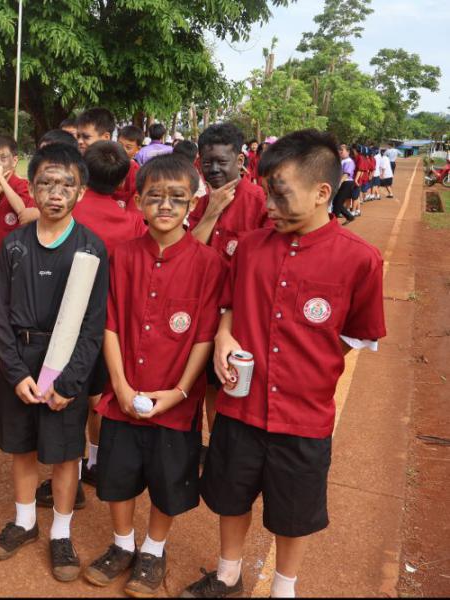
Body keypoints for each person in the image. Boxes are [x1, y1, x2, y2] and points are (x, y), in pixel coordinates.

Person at [182, 129, 386, 599]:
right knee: (230, 496)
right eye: (267, 192)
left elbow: (357, 334)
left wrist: (312, 365)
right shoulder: (252, 247)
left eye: (281, 195)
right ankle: (228, 574)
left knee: (293, 512)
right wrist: (225, 335)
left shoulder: (360, 260)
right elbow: (229, 302)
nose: (269, 206)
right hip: (240, 407)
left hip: (303, 417)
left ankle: (284, 588)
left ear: (321, 192)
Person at [83, 153, 227, 597]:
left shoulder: (209, 263)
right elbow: (109, 324)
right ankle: (122, 544)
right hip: (123, 396)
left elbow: (204, 336)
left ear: (193, 203)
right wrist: (120, 386)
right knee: (117, 477)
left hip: (174, 404)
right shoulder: (122, 256)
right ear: (139, 201)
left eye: (177, 197)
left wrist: (180, 392)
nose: (165, 206)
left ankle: (153, 549)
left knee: (167, 483)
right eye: (155, 196)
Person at [0, 143, 108, 582]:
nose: (56, 193)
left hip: (66, 366)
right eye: (46, 184)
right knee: (22, 448)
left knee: (65, 455)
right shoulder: (14, 245)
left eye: (66, 185)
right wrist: (14, 372)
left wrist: (71, 382)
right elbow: (0, 314)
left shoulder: (91, 247)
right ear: (31, 188)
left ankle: (61, 532)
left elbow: (93, 324)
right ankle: (24, 522)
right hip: (21, 360)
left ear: (82, 192)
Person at [36, 141, 147, 508]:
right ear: (123, 179)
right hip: (105, 322)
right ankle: (95, 461)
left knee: (65, 396)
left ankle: (72, 470)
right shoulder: (130, 219)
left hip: (61, 320)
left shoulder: (73, 210)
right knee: (96, 395)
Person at [188, 123, 269, 438]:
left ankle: (224, 447)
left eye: (222, 162)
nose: (214, 170)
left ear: (240, 160)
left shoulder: (260, 202)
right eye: (207, 162)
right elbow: (189, 254)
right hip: (203, 310)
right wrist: (212, 211)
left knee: (234, 383)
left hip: (240, 315)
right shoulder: (202, 202)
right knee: (208, 383)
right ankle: (209, 446)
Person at [0, 134, 39, 392]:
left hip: (18, 265)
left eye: (3, 158)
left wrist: (3, 183)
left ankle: (11, 372)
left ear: (14, 159)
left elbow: (23, 213)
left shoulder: (22, 186)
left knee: (14, 321)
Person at [76, 108, 140, 212]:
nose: (79, 141)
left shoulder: (128, 168)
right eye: (78, 136)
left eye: (86, 137)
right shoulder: (74, 165)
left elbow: (135, 212)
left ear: (106, 137)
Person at [331, 144, 357, 223]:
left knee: (337, 202)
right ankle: (349, 216)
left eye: (342, 150)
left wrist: (339, 183)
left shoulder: (349, 161)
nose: (340, 152)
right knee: (336, 202)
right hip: (343, 183)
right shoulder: (342, 161)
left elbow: (346, 174)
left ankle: (333, 222)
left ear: (348, 152)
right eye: (339, 150)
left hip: (346, 183)